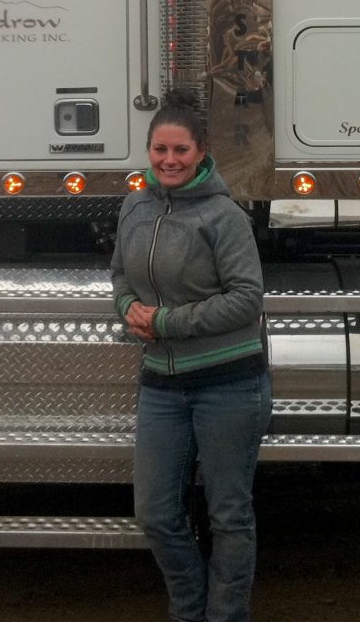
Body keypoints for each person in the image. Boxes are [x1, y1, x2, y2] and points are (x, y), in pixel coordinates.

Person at [110, 90, 271, 622]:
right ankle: (190, 610)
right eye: (160, 149)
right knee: (155, 514)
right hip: (161, 383)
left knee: (229, 516)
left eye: (180, 150)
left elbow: (247, 299)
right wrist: (129, 306)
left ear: (202, 151)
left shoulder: (224, 216)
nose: (169, 160)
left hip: (229, 384)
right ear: (149, 149)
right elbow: (119, 276)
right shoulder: (135, 206)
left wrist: (165, 322)